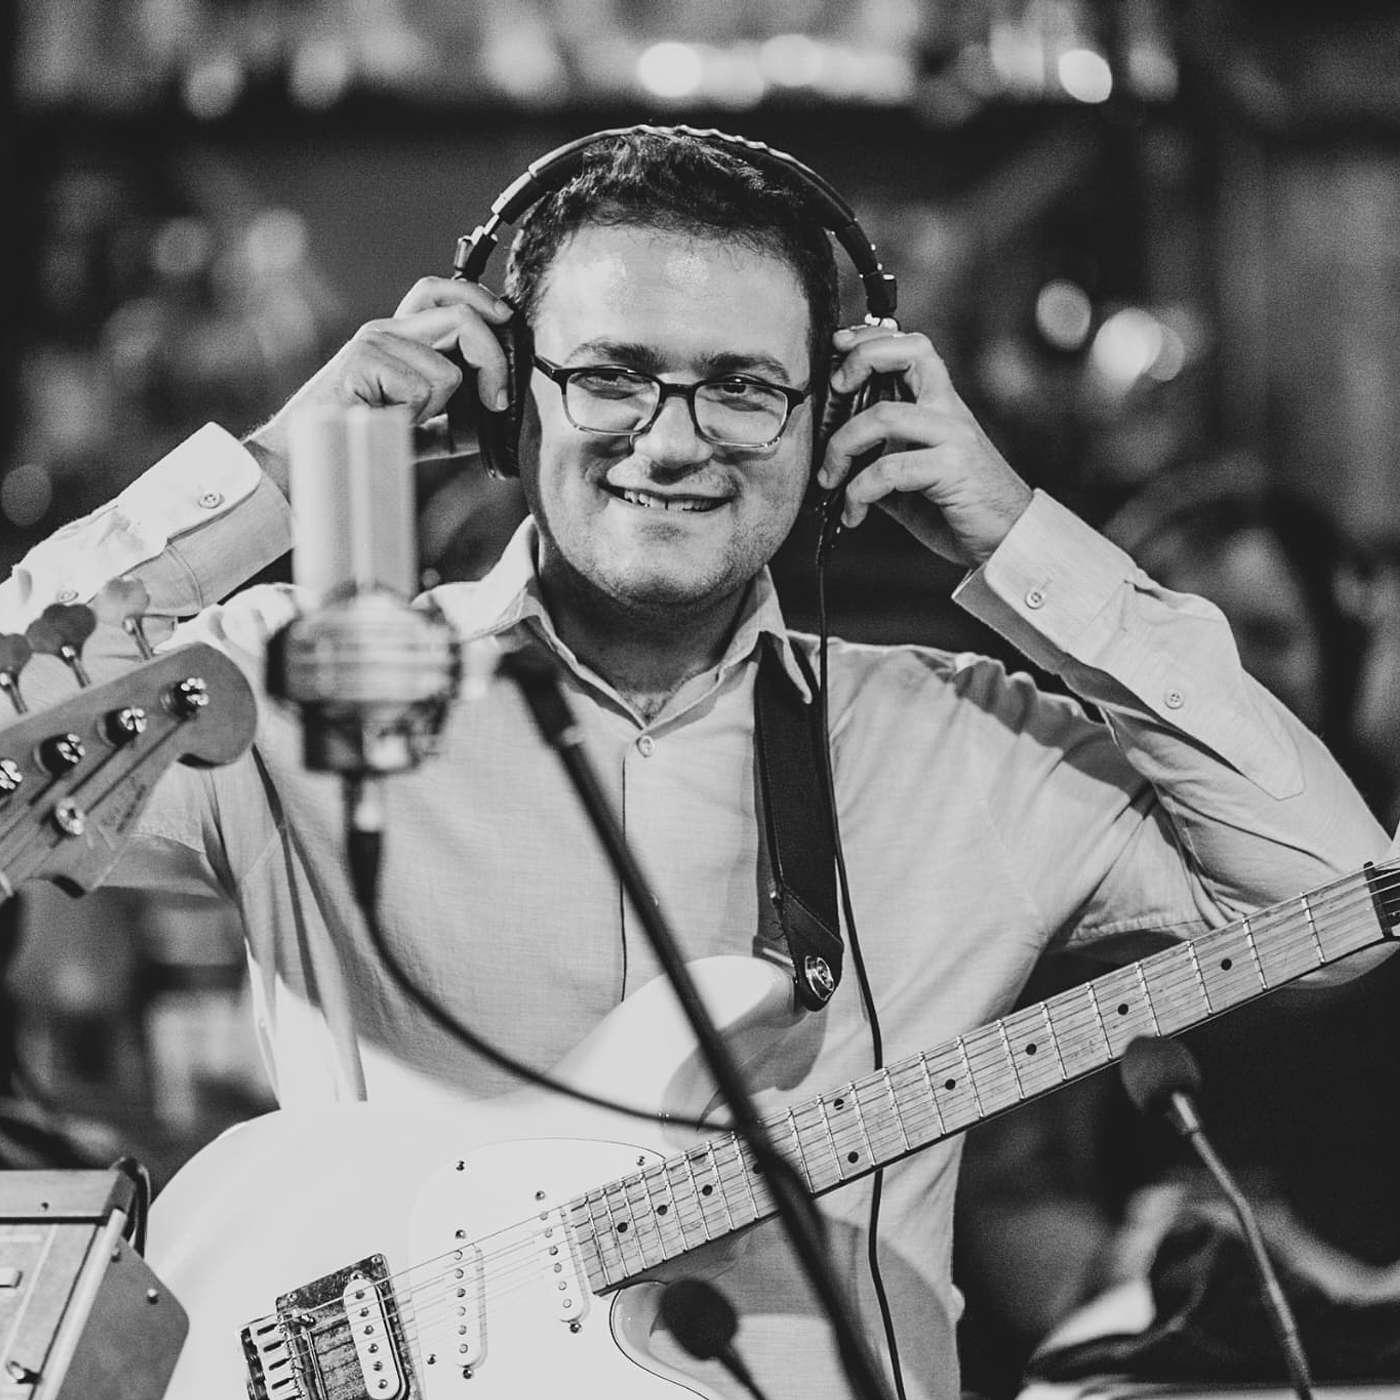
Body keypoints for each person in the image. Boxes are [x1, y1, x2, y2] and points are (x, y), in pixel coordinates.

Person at [0, 128, 1388, 1400]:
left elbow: (1337, 900)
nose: (670, 444)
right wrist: (272, 475)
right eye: (609, 376)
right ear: (503, 398)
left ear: (835, 417)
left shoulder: (972, 740)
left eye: (742, 389)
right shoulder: (309, 689)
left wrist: (1013, 530)